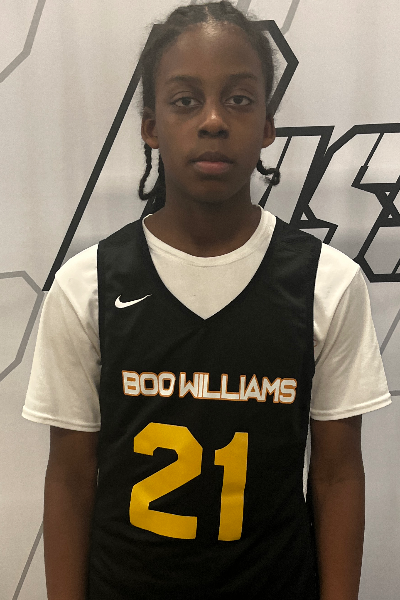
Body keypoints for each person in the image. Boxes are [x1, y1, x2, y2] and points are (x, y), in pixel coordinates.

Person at [22, 2, 392, 599]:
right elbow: (69, 479)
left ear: (268, 126)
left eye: (239, 99)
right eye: (186, 100)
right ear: (151, 126)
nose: (213, 120)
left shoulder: (328, 282)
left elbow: (337, 474)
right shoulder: (86, 285)